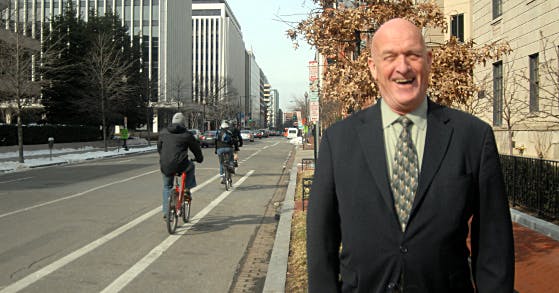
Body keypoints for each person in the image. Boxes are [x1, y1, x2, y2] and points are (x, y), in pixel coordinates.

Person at [306, 18, 514, 293]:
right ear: (373, 69)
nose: (402, 67)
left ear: (428, 61)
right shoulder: (338, 141)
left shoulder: (473, 137)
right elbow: (322, 243)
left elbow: (494, 243)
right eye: (390, 57)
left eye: (412, 55)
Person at [157, 112, 203, 220]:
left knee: (167, 186)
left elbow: (159, 148)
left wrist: (165, 157)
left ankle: (166, 211)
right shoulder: (187, 134)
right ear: (183, 123)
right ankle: (186, 189)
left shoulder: (163, 132)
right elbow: (196, 149)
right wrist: (199, 159)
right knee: (191, 166)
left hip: (165, 165)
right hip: (181, 164)